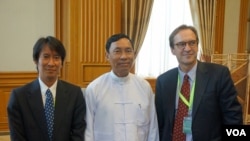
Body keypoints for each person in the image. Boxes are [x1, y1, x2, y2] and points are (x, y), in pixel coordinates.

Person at [155, 24, 243, 141]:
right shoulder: (163, 81)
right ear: (172, 50)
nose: (187, 48)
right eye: (181, 44)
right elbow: (160, 123)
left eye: (192, 43)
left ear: (197, 46)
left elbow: (234, 116)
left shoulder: (219, 74)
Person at [7, 36, 86, 141]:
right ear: (36, 60)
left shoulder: (75, 94)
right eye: (46, 56)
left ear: (61, 63)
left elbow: (78, 134)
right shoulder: (19, 97)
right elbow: (17, 137)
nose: (51, 63)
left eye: (56, 57)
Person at [84, 33, 159, 141]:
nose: (124, 56)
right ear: (107, 56)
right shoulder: (94, 88)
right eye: (117, 51)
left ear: (134, 54)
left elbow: (153, 128)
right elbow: (88, 131)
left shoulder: (144, 87)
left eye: (128, 51)